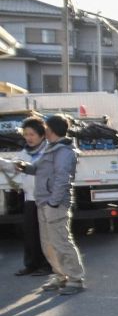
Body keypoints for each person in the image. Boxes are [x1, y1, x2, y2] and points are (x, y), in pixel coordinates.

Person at [14, 114, 84, 295]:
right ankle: (60, 276)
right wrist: (22, 166)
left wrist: (53, 203)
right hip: (43, 203)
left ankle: (75, 279)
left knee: (61, 243)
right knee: (48, 244)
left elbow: (62, 179)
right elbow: (35, 168)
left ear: (50, 130)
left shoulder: (64, 152)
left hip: (54, 205)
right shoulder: (50, 148)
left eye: (45, 127)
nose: (43, 129)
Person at [13, 116, 52, 277]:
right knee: (30, 233)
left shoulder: (49, 151)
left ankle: (47, 265)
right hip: (29, 198)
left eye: (32, 134)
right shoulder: (24, 152)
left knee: (46, 235)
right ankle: (31, 265)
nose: (28, 138)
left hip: (46, 199)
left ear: (42, 135)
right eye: (26, 134)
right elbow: (18, 173)